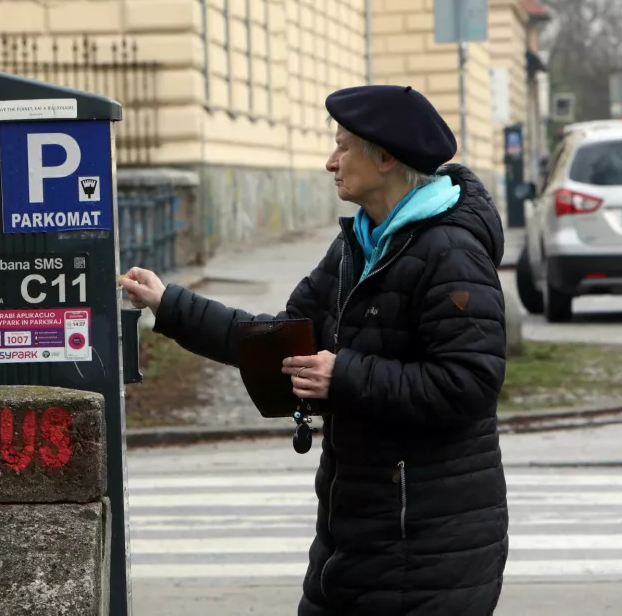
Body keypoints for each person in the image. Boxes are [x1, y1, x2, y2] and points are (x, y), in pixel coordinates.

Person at [120, 84, 509, 616]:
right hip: (352, 537)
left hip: (429, 550)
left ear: (386, 158)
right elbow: (281, 340)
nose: (331, 162)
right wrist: (170, 305)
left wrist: (343, 376)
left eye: (343, 147)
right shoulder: (359, 245)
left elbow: (469, 385)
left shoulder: (452, 252)